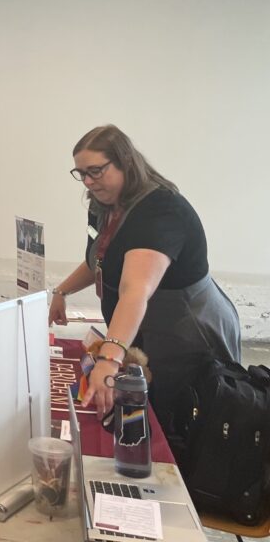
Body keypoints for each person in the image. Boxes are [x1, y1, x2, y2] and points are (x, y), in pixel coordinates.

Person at [49, 125, 241, 428]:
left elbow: (135, 289)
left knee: (179, 419)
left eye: (95, 171)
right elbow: (99, 261)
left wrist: (110, 358)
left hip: (184, 334)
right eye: (81, 173)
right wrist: (60, 292)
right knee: (140, 411)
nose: (87, 181)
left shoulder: (160, 210)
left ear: (125, 161)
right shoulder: (103, 204)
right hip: (141, 331)